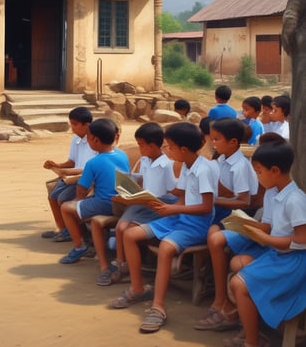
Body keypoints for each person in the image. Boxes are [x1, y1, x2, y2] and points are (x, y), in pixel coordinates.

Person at [111, 122, 219, 334]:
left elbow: (207, 207)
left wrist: (171, 208)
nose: (167, 149)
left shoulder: (203, 169)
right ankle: (138, 288)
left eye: (170, 146)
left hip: (196, 224)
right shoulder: (188, 166)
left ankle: (158, 307)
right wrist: (150, 201)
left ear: (184, 149)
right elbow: (180, 194)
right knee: (130, 234)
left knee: (166, 248)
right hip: (179, 216)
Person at [226, 136, 306, 347]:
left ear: (275, 171)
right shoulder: (272, 193)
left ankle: (252, 341)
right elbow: (269, 226)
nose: (257, 176)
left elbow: (301, 239)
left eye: (258, 171)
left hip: (294, 261)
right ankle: (252, 327)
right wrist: (245, 224)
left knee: (238, 283)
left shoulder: (296, 199)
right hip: (277, 254)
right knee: (238, 266)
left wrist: (264, 238)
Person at [91, 122, 177, 286]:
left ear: (152, 146)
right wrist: (129, 182)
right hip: (141, 202)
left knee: (127, 230)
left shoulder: (167, 165)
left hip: (156, 206)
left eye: (141, 145)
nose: (139, 149)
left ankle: (128, 268)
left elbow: (170, 192)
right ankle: (120, 262)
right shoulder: (145, 160)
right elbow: (143, 178)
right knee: (120, 227)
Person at [193, 118, 259, 331]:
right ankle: (217, 293)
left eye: (217, 139)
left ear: (233, 142)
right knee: (211, 234)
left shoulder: (239, 165)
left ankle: (221, 298)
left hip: (239, 213)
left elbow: (244, 201)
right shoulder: (221, 159)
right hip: (223, 210)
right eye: (212, 139)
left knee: (215, 238)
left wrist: (212, 199)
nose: (213, 143)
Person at [58, 118, 129, 264]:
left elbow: (82, 188)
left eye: (89, 138)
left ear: (95, 140)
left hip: (104, 203)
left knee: (66, 207)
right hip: (122, 201)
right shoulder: (122, 154)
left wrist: (78, 201)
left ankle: (79, 246)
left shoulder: (93, 162)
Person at [41, 107, 97, 242]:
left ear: (87, 125)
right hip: (73, 177)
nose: (72, 128)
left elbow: (89, 169)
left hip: (85, 179)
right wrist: (57, 165)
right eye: (71, 124)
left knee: (62, 198)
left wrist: (67, 172)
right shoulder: (76, 139)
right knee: (52, 195)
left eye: (75, 124)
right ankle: (62, 228)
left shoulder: (95, 142)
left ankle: (75, 232)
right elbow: (72, 161)